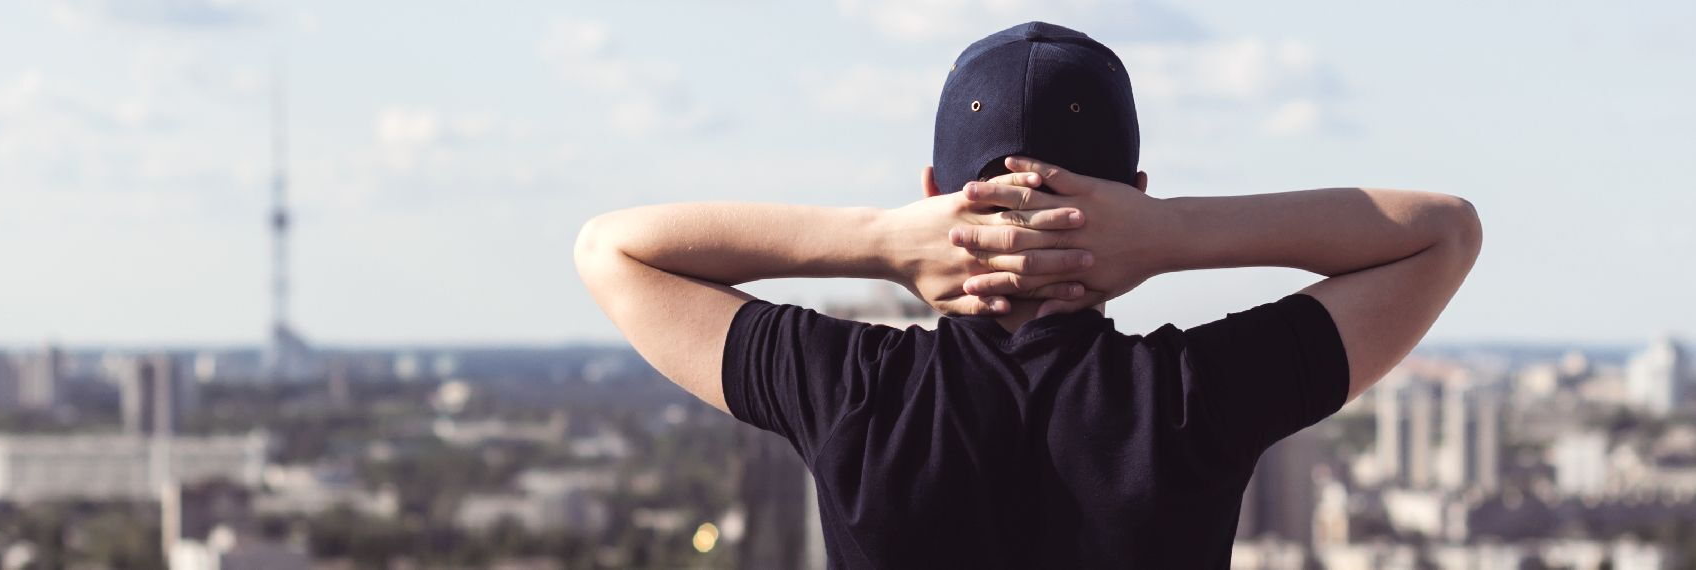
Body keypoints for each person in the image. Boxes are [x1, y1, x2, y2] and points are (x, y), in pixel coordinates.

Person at [574, 22, 1481, 568]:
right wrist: (1164, 237)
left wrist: (883, 242)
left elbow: (612, 250)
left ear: (934, 187)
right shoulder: (1191, 399)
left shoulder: (852, 390)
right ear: (1130, 187)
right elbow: (1442, 232)